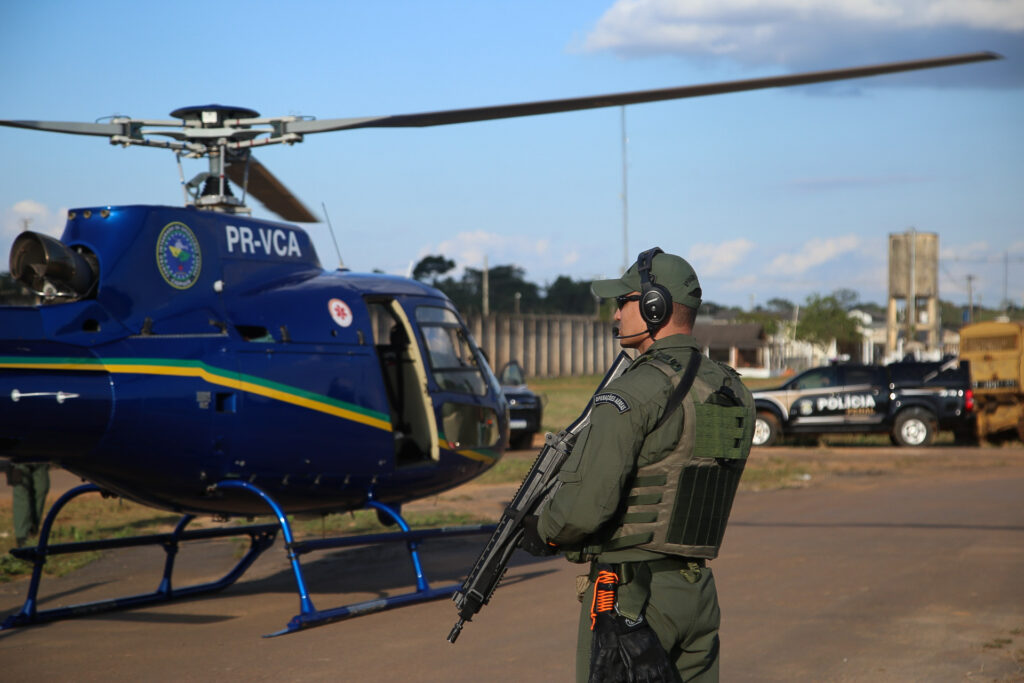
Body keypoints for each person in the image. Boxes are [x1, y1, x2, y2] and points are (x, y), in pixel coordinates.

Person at [522, 248, 754, 682]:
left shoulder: (632, 392)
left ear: (654, 306)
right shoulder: (731, 389)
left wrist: (544, 528)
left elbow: (582, 511)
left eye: (623, 302)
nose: (615, 315)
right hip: (697, 592)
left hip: (631, 596)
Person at [6, 462, 50, 547]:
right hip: (19, 460)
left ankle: (33, 528)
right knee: (21, 494)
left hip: (40, 460)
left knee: (42, 488)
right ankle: (22, 537)